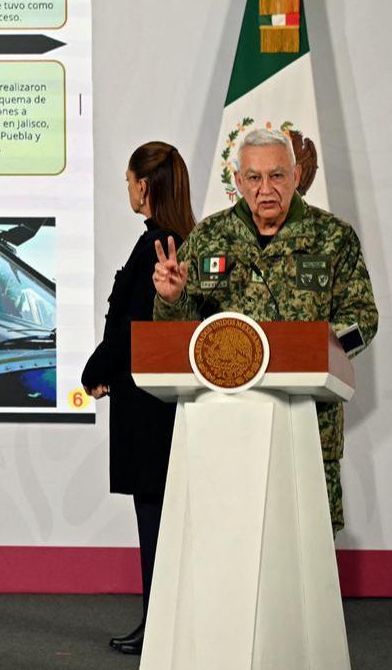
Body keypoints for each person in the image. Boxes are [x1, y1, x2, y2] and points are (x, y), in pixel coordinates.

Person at [153, 127, 378, 535]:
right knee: (229, 539)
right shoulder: (208, 237)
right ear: (238, 182)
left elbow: (364, 318)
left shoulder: (333, 237)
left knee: (305, 544)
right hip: (226, 425)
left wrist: (324, 350)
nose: (266, 188)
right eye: (254, 178)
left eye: (277, 175)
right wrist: (171, 298)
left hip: (308, 424)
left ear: (296, 177)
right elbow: (176, 335)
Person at [83, 142, 195, 656]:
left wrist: (94, 371)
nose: (127, 189)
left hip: (148, 406)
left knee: (154, 520)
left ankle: (160, 629)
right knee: (157, 518)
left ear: (144, 186)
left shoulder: (158, 244)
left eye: (130, 181)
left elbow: (131, 326)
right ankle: (161, 624)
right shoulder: (172, 240)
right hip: (152, 400)